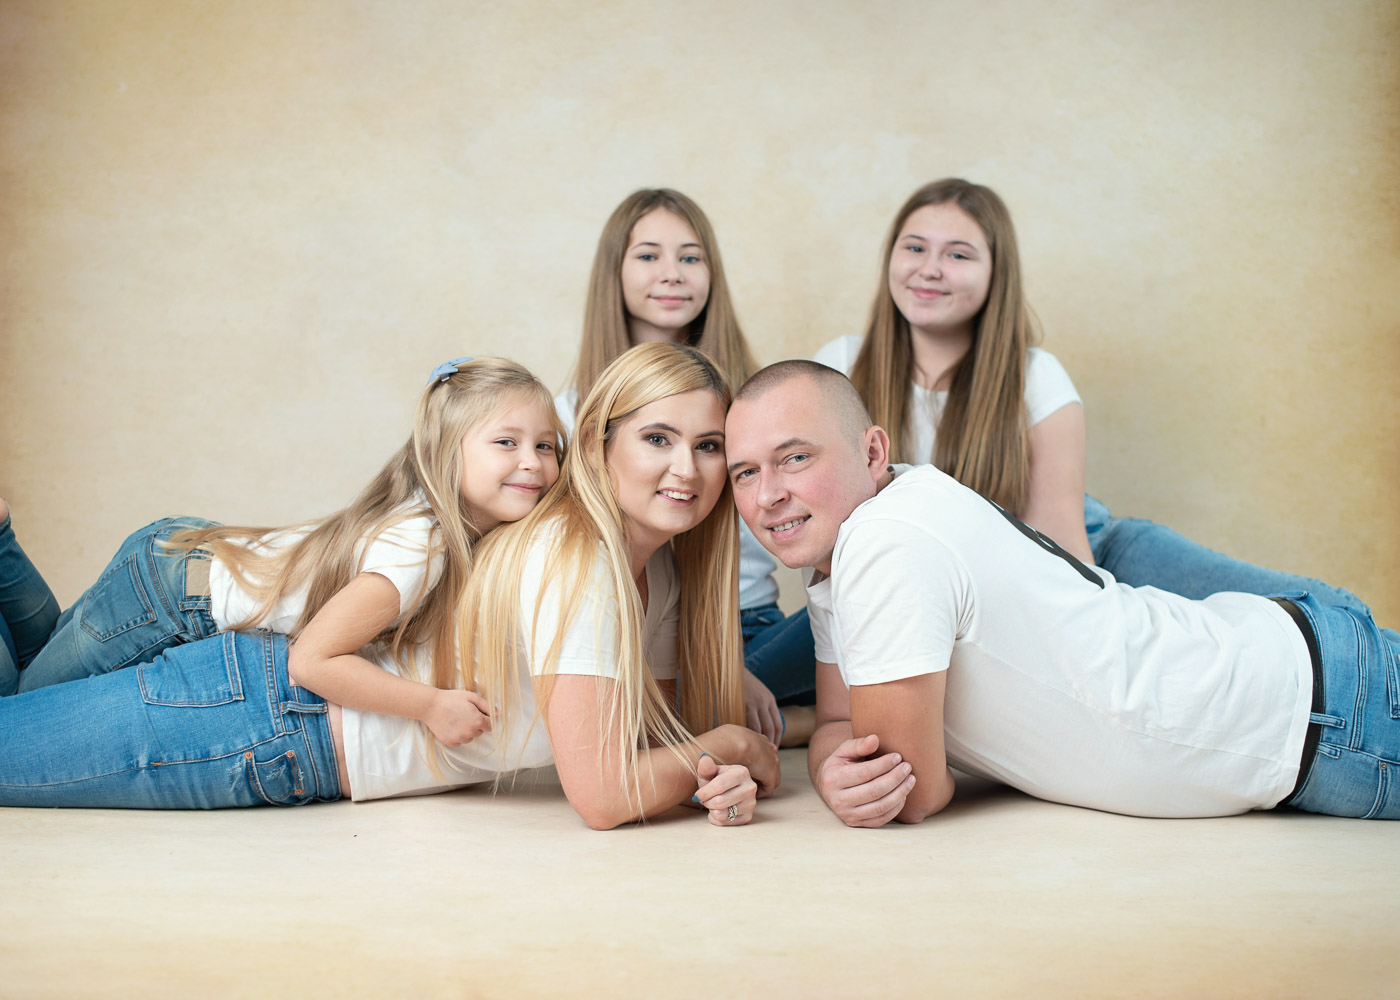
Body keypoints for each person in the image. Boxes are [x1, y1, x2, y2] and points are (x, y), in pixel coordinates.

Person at [724, 360, 1399, 825]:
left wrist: (851, 771)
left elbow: (912, 791)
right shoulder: (850, 541)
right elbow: (842, 726)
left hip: (1323, 710)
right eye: (745, 473)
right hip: (1304, 686)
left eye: (795, 457)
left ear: (872, 453)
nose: (768, 495)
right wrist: (834, 767)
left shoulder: (884, 539)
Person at [0, 356, 566, 807]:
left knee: (36, 694)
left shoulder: (447, 528)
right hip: (173, 594)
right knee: (23, 710)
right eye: (506, 442)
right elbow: (312, 662)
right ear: (445, 453)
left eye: (545, 445)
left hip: (184, 571)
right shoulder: (421, 552)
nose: (533, 463)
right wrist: (431, 706)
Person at [814, 177, 1367, 609]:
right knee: (777, 666)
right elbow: (827, 549)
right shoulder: (840, 368)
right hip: (933, 587)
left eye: (959, 255)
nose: (930, 269)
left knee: (1323, 606)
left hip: (1079, 550)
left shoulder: (1034, 376)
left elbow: (1060, 549)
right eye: (915, 247)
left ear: (996, 273)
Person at [464, 341, 780, 829]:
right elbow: (605, 797)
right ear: (596, 443)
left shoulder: (659, 568)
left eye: (708, 446)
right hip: (327, 747)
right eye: (658, 438)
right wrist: (733, 745)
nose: (686, 469)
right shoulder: (574, 556)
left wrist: (717, 782)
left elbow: (650, 750)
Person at [557, 187, 810, 745]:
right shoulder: (571, 414)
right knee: (659, 707)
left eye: (690, 257)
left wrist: (733, 663)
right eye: (648, 255)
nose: (671, 273)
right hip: (645, 635)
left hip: (749, 621)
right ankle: (788, 722)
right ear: (614, 273)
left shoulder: (750, 402)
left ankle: (752, 715)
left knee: (859, 615)